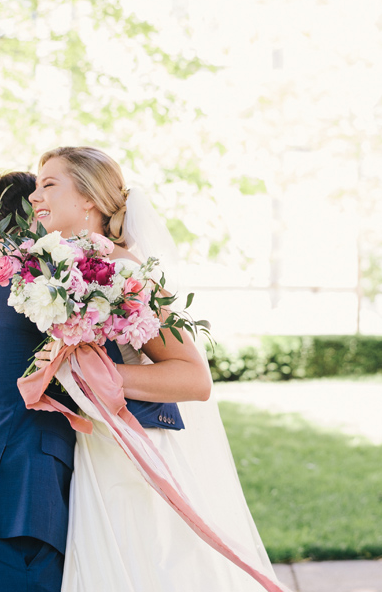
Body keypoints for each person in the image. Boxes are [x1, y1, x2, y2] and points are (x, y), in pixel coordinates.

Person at [30, 147, 281, 591]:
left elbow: (194, 378)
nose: (34, 196)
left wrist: (99, 378)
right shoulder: (62, 269)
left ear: (88, 198)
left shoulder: (121, 271)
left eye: (49, 184)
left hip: (138, 454)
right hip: (101, 448)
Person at [0, 170, 191, 592]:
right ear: (33, 222)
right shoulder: (40, 286)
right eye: (41, 200)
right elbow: (100, 368)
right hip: (24, 501)